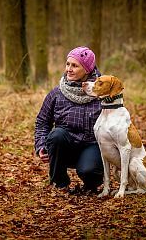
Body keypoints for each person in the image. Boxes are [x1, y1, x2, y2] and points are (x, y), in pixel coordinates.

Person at [34, 46, 103, 194]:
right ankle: (60, 183)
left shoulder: (102, 92)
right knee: (56, 135)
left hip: (92, 145)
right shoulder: (57, 93)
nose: (69, 69)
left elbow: (116, 123)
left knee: (90, 171)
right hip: (65, 145)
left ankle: (91, 184)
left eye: (75, 65)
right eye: (67, 64)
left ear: (87, 69)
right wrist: (40, 145)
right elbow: (42, 122)